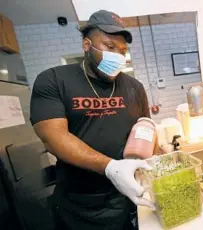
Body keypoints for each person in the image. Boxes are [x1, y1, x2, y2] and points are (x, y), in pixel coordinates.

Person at [30, 10, 158, 230]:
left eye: (122, 50)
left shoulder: (134, 87)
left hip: (128, 199)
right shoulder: (53, 80)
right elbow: (53, 137)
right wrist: (111, 167)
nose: (118, 56)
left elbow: (145, 131)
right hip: (80, 206)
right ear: (87, 45)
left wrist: (157, 167)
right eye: (109, 47)